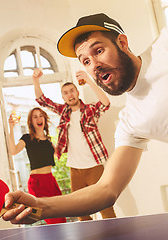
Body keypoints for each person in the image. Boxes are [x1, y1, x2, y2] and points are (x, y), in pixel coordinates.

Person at [2, 13, 168, 226]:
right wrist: (41, 206)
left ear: (122, 43)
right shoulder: (131, 121)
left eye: (98, 51)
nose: (94, 65)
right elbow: (106, 189)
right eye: (85, 61)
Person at [30, 68, 116, 221]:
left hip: (94, 167)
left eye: (72, 91)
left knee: (106, 208)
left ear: (77, 93)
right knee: (80, 212)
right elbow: (42, 100)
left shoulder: (89, 110)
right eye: (65, 93)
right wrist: (35, 80)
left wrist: (89, 80)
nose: (69, 95)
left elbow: (105, 103)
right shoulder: (63, 112)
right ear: (63, 97)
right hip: (75, 170)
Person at [7, 107, 66, 224]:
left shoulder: (48, 141)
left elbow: (60, 153)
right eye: (35, 117)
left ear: (44, 119)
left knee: (61, 215)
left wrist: (64, 130)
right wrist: (11, 128)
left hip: (51, 180)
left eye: (41, 116)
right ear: (31, 122)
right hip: (38, 182)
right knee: (52, 218)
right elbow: (13, 150)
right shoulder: (27, 138)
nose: (39, 118)